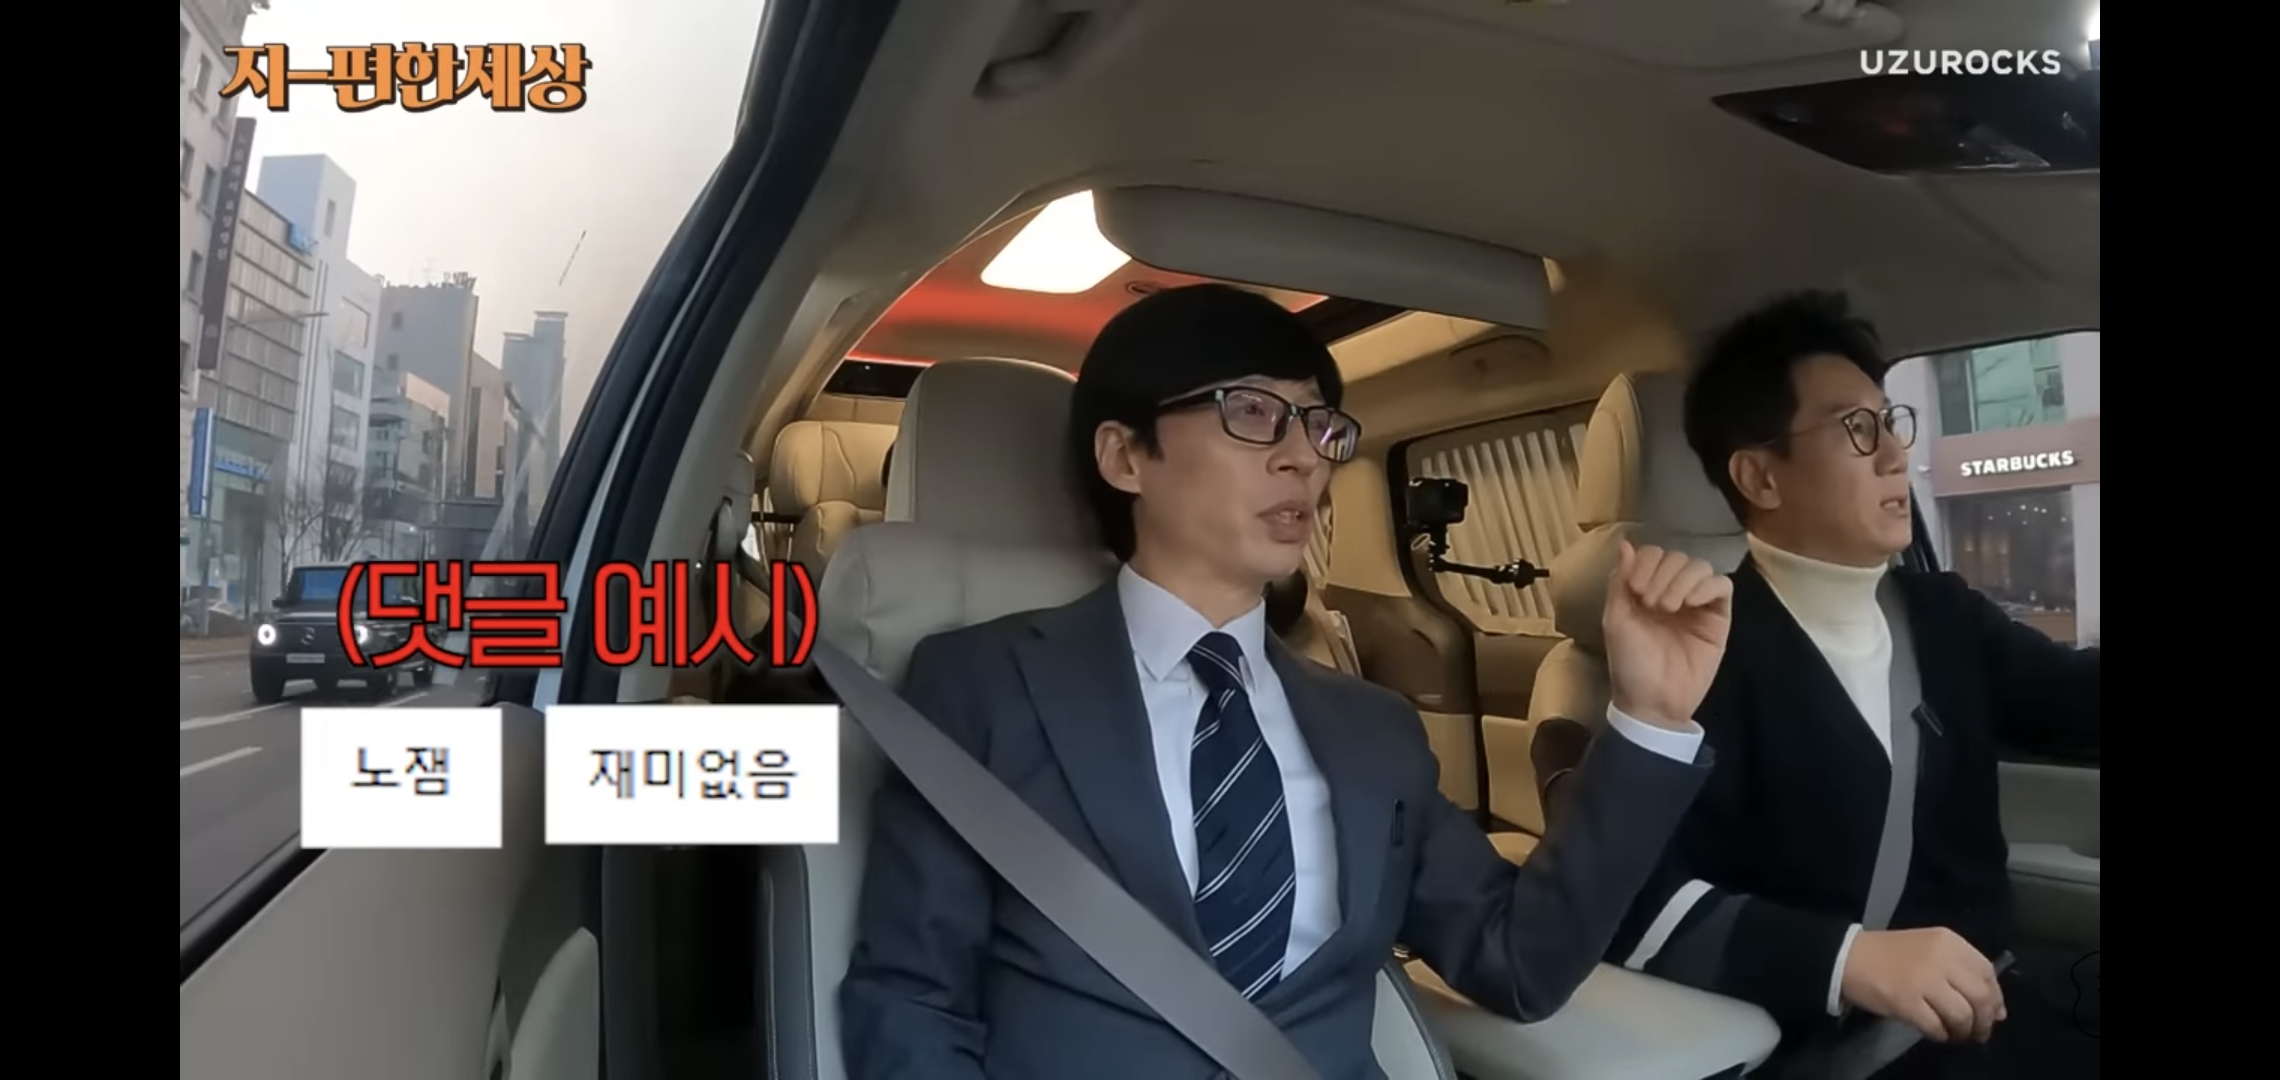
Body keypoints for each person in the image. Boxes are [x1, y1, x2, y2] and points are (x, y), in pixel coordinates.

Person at [840, 284, 1734, 1080]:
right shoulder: (980, 684)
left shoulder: (1375, 729)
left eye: (1321, 427)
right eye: (1254, 412)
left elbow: (1520, 965)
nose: (1305, 457)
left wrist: (1649, 718)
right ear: (1126, 457)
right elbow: (912, 997)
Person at [1603, 291, 2100, 1078]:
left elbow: (2078, 702)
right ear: (1760, 477)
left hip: (1995, 1012)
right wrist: (1847, 959)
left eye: (1890, 421)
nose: (1895, 454)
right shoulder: (1699, 657)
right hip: (1850, 1051)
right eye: (1856, 429)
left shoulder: (1943, 614)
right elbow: (1625, 901)